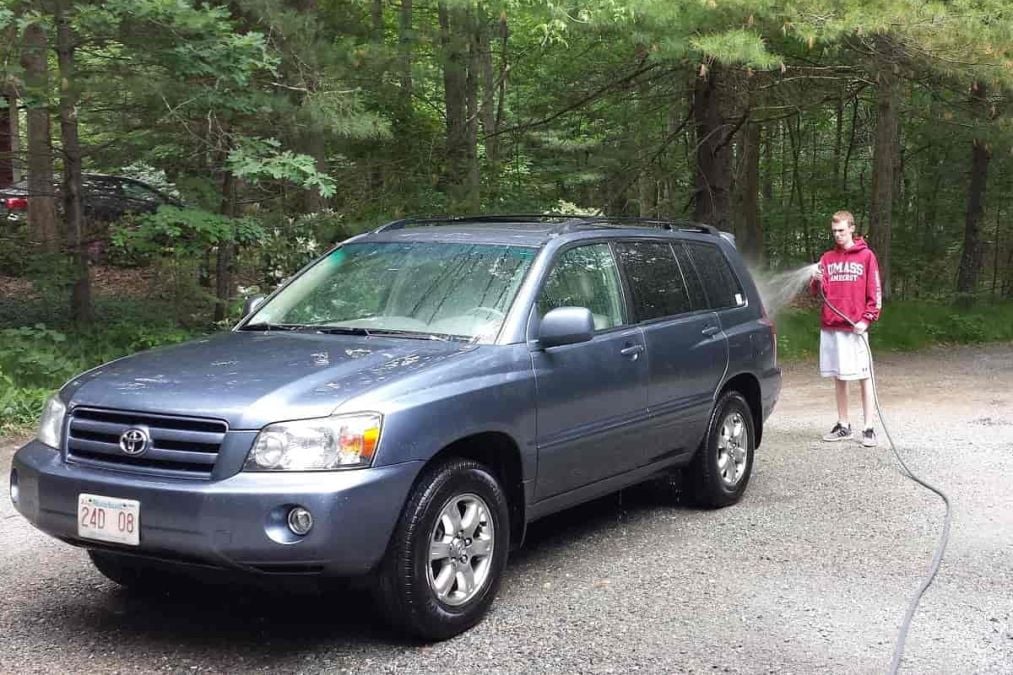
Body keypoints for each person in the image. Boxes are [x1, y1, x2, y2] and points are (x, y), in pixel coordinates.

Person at [810, 210, 882, 447]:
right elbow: (816, 293)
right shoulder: (827, 258)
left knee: (864, 376)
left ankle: (869, 427)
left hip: (856, 327)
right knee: (839, 377)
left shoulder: (867, 257)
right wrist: (816, 279)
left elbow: (875, 292)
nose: (838, 235)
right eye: (834, 231)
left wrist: (867, 319)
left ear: (852, 228)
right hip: (831, 326)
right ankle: (843, 425)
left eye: (841, 230)